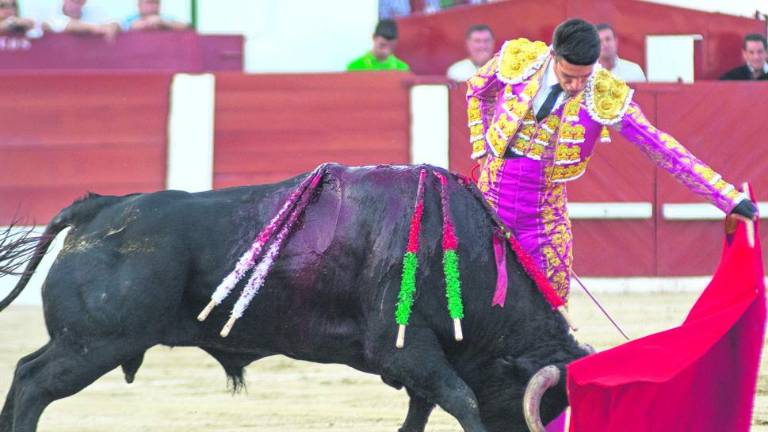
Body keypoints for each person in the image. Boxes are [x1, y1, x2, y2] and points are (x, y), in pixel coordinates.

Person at [468, 18, 756, 307]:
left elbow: (661, 147)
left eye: (585, 76)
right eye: (569, 76)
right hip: (489, 205)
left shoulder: (604, 93)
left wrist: (727, 198)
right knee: (477, 303)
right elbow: (478, 89)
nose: (576, 85)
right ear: (553, 55)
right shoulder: (520, 60)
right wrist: (482, 149)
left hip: (543, 220)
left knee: (549, 314)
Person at [43, 0, 120, 41]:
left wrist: (113, 26)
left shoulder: (95, 11)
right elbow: (66, 24)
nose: (76, 4)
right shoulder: (50, 12)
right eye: (72, 0)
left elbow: (115, 22)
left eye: (80, 1)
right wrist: (96, 28)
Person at [122, 0, 188, 31]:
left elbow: (187, 27)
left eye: (156, 3)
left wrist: (164, 23)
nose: (153, 6)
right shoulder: (131, 18)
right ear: (139, 4)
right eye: (149, 2)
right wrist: (131, 27)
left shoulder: (164, 18)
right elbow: (118, 27)